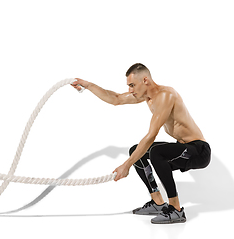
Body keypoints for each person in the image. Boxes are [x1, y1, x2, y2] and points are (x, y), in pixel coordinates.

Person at [71, 63, 211, 224]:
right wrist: (88, 85)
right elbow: (115, 98)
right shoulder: (147, 97)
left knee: (156, 152)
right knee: (136, 151)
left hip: (198, 151)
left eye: (132, 85)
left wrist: (126, 165)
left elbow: (151, 135)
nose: (130, 90)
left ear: (145, 80)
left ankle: (177, 210)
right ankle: (158, 202)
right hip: (182, 148)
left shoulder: (166, 95)